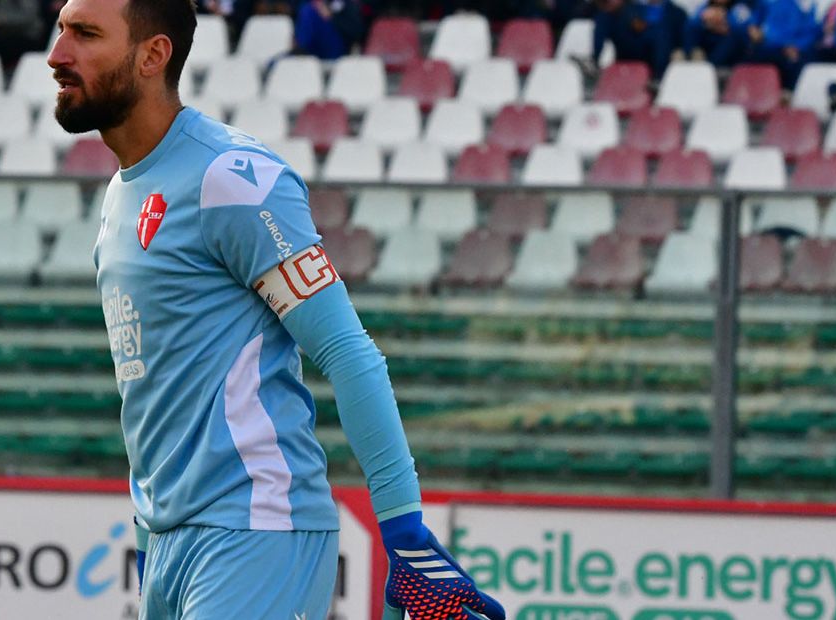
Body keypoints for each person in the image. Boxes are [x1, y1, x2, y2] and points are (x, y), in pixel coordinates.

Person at [45, 0, 507, 618]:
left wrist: (404, 533)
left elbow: (348, 352)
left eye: (85, 34)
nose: (57, 54)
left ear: (153, 55)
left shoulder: (232, 178)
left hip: (256, 528)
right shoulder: (122, 194)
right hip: (165, 541)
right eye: (60, 31)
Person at [593, 0, 687, 78]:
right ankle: (594, 64)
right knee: (603, 19)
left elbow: (645, 30)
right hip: (627, 53)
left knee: (660, 38)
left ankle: (657, 78)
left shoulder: (676, 12)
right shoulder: (633, 9)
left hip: (655, 54)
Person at [744, 0, 821, 88]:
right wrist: (754, 31)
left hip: (792, 48)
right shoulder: (767, 2)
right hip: (767, 46)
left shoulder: (807, 4)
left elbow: (811, 32)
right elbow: (754, 22)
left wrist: (797, 46)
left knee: (799, 61)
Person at [682, 0, 753, 66]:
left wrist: (725, 22)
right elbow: (692, 22)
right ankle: (690, 59)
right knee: (692, 29)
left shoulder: (740, 8)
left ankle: (710, 66)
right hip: (709, 45)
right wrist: (704, 22)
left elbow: (746, 30)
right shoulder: (704, 7)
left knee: (733, 38)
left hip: (732, 50)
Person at [294, 0, 365, 60]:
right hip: (310, 51)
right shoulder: (308, 6)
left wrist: (332, 17)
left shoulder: (347, 4)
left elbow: (356, 32)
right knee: (308, 10)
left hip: (338, 52)